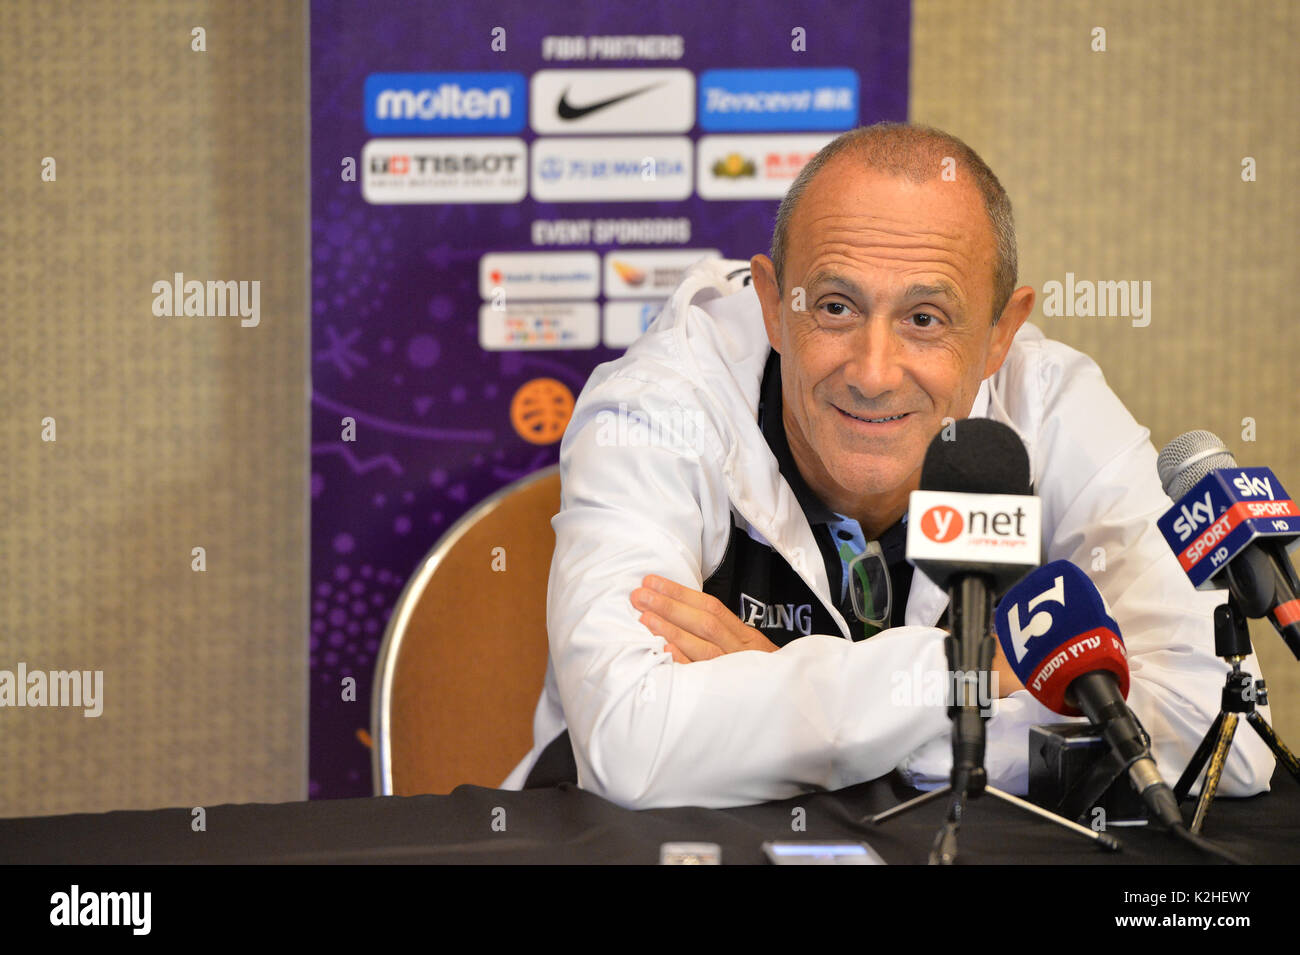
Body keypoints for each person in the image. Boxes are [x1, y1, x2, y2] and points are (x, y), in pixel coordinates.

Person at [502, 122, 1276, 809]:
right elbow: (631, 748)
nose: (874, 371)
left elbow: (1223, 739)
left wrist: (816, 705)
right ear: (774, 304)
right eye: (835, 306)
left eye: (925, 318)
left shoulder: (1057, 407)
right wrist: (976, 677)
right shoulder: (657, 407)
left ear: (1001, 333)